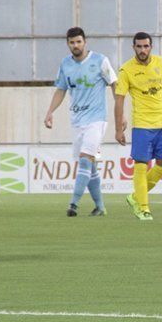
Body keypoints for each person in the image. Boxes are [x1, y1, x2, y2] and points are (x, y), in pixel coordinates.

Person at [44, 27, 118, 217]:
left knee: (85, 160)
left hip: (97, 120)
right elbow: (61, 90)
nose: (75, 45)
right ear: (68, 44)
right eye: (72, 42)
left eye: (78, 41)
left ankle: (73, 204)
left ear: (85, 42)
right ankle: (100, 207)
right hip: (77, 121)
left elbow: (115, 84)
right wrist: (50, 111)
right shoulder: (65, 64)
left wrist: (120, 113)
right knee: (90, 165)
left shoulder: (100, 61)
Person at [114, 32, 162, 221]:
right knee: (141, 164)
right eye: (139, 46)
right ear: (133, 47)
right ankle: (143, 208)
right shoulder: (126, 70)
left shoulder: (161, 63)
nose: (142, 50)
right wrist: (118, 128)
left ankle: (135, 196)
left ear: (151, 47)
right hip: (142, 125)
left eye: (146, 46)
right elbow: (119, 100)